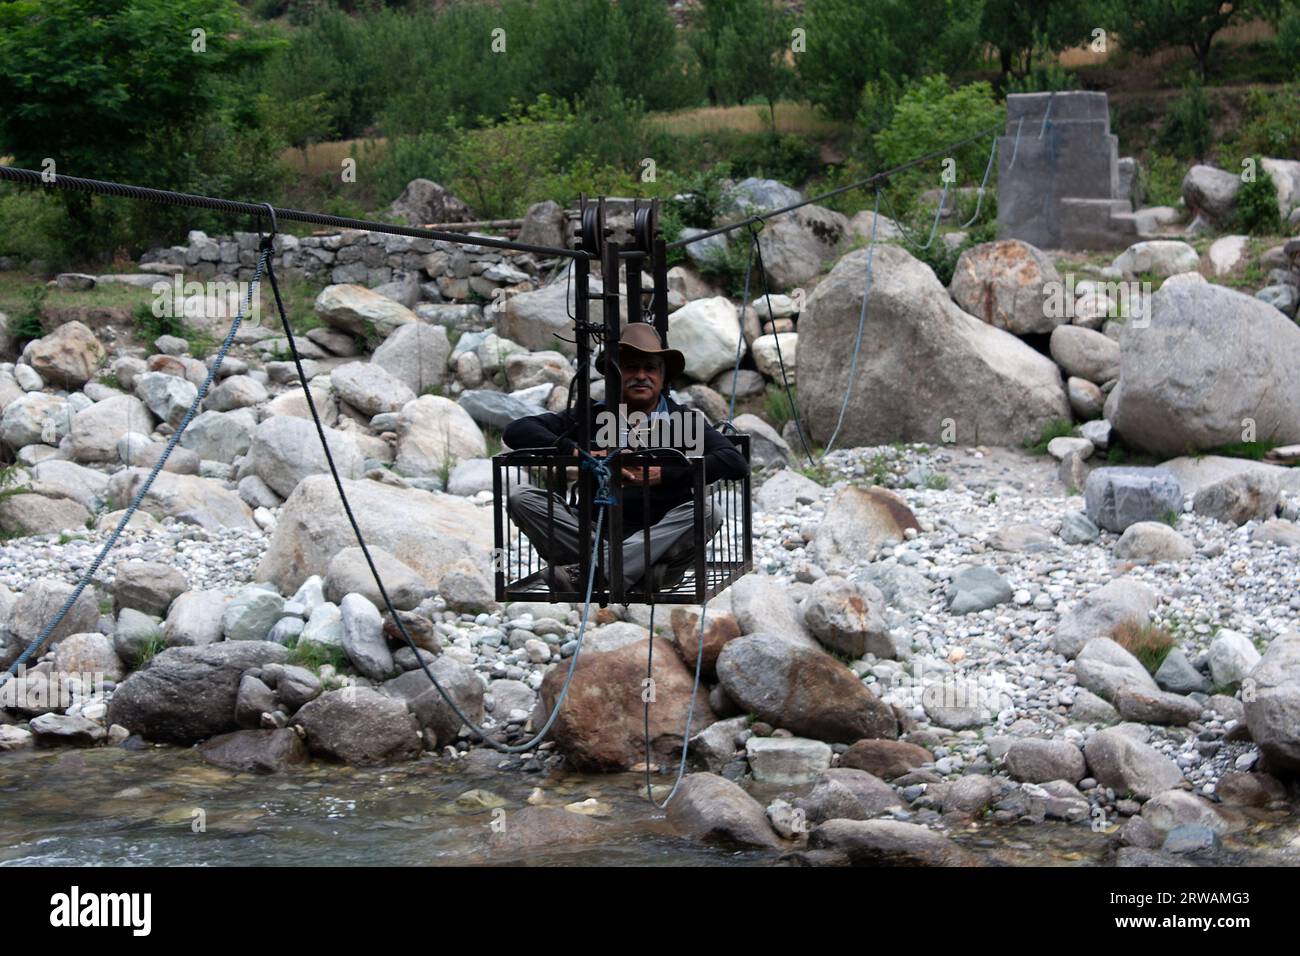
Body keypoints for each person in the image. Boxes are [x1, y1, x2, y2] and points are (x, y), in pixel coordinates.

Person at [502, 322, 749, 596]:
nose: (641, 376)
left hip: (660, 539)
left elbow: (734, 462)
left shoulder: (683, 420)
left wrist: (663, 474)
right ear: (615, 375)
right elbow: (517, 431)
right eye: (631, 368)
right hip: (597, 535)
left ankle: (597, 571)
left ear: (663, 377)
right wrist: (578, 452)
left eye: (650, 368)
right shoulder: (592, 416)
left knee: (707, 512)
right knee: (521, 498)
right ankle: (633, 572)